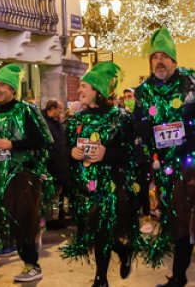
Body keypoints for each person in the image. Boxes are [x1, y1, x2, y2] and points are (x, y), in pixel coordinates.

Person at [131, 28, 195, 286]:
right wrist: (144, 135)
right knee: (178, 220)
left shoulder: (192, 81)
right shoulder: (144, 91)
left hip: (193, 163)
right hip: (164, 166)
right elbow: (138, 123)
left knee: (193, 219)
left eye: (164, 56)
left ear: (174, 60)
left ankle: (184, 276)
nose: (159, 61)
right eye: (154, 56)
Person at [62, 61, 137, 287]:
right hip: (84, 188)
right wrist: (71, 152)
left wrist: (107, 154)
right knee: (92, 233)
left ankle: (101, 279)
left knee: (102, 232)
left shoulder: (120, 118)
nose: (79, 90)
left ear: (99, 90)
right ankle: (123, 251)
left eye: (84, 86)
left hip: (110, 186)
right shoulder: (76, 119)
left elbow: (132, 153)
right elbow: (64, 148)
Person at [0, 63, 53, 282]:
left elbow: (43, 141)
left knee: (23, 219)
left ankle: (32, 264)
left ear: (13, 90)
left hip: (24, 175)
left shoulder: (26, 110)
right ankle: (28, 250)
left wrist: (13, 144)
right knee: (10, 221)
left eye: (4, 85)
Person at [43, 99, 74, 230]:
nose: (61, 112)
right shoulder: (46, 125)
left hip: (61, 165)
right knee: (51, 195)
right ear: (52, 109)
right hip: (52, 166)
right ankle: (49, 220)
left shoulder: (57, 124)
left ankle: (58, 217)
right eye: (59, 109)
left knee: (59, 193)